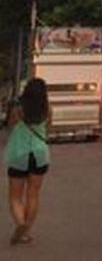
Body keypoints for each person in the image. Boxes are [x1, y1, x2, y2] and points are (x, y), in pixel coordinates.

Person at [4, 79, 50, 246]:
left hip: (19, 153)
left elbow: (10, 125)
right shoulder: (47, 109)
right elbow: (48, 128)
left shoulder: (18, 108)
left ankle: (21, 224)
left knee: (15, 196)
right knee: (33, 194)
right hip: (40, 153)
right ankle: (27, 230)